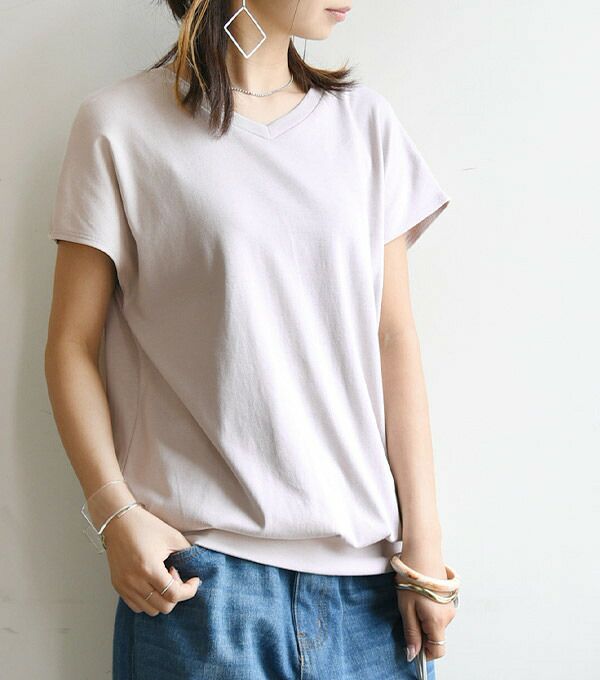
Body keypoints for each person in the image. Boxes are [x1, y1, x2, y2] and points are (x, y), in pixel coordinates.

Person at [44, 1, 459, 678]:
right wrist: (114, 514)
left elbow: (394, 338)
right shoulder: (118, 125)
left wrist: (426, 545)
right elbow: (70, 344)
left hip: (373, 595)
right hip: (199, 587)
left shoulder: (366, 125)